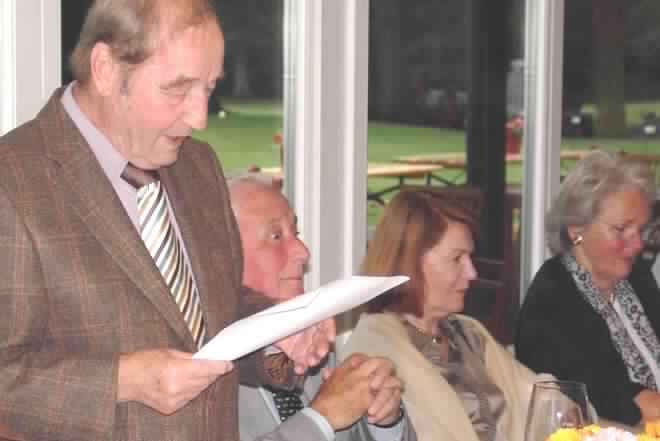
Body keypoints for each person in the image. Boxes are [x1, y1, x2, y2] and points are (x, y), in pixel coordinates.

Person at [0, 1, 334, 440]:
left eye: (209, 88)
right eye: (177, 90)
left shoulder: (199, 166)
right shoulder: (13, 183)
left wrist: (281, 338)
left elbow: (219, 313)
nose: (199, 117)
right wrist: (122, 382)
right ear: (105, 69)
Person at [341, 189, 552, 441]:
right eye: (456, 259)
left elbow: (541, 398)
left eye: (469, 257)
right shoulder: (375, 349)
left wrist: (574, 415)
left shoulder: (466, 333)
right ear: (411, 262)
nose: (472, 273)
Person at [229, 176, 416, 441]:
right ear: (225, 257)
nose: (302, 252)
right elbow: (325, 422)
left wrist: (384, 421)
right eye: (276, 236)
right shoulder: (202, 364)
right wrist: (322, 418)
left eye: (296, 234)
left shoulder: (312, 338)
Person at [515, 151, 660, 426]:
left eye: (641, 230)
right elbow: (617, 400)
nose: (638, 245)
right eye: (622, 230)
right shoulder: (551, 303)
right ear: (576, 229)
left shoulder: (637, 278)